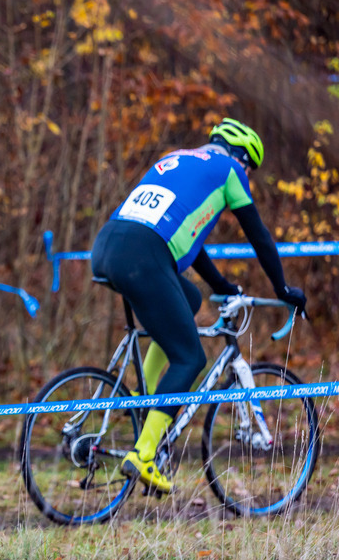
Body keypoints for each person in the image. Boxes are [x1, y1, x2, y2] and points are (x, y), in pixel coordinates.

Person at [91, 117, 307, 494]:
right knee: (190, 358)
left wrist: (221, 285)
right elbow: (258, 234)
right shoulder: (229, 170)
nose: (247, 177)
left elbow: (191, 238)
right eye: (250, 169)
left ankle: (145, 400)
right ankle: (143, 454)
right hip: (144, 254)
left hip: (108, 245)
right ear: (242, 157)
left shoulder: (179, 158)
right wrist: (283, 288)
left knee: (189, 299)